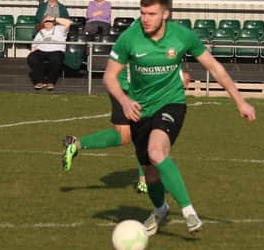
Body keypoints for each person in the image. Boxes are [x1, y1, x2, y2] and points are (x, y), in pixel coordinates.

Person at [102, 0, 256, 236]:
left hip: (171, 103)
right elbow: (109, 77)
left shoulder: (182, 36)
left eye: (151, 14)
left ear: (165, 14)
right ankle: (160, 208)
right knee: (151, 174)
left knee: (156, 152)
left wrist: (240, 101)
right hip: (139, 110)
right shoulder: (129, 38)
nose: (145, 19)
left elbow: (214, 67)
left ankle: (188, 212)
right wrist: (123, 99)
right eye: (142, 13)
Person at [61, 69, 192, 194]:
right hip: (127, 89)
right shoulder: (136, 47)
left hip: (126, 87)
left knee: (128, 135)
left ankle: (75, 144)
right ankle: (145, 181)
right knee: (144, 132)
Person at [27, 15, 72, 90]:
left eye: (50, 21)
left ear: (53, 22)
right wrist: (32, 52)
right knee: (31, 58)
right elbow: (34, 45)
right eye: (46, 21)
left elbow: (68, 22)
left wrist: (54, 18)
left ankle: (51, 82)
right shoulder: (41, 32)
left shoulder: (59, 29)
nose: (48, 23)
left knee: (55, 60)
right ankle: (39, 81)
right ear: (43, 23)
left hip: (56, 51)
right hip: (41, 51)